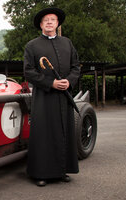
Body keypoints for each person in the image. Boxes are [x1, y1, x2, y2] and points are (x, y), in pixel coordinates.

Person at [23, 7, 81, 187]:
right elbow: (28, 72)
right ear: (41, 24)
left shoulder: (67, 43)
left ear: (57, 23)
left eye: (52, 19)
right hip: (44, 97)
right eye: (46, 20)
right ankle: (41, 173)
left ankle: (61, 171)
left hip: (64, 97)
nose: (49, 22)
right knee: (44, 135)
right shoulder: (32, 46)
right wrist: (51, 83)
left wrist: (68, 82)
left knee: (63, 133)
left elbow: (76, 67)